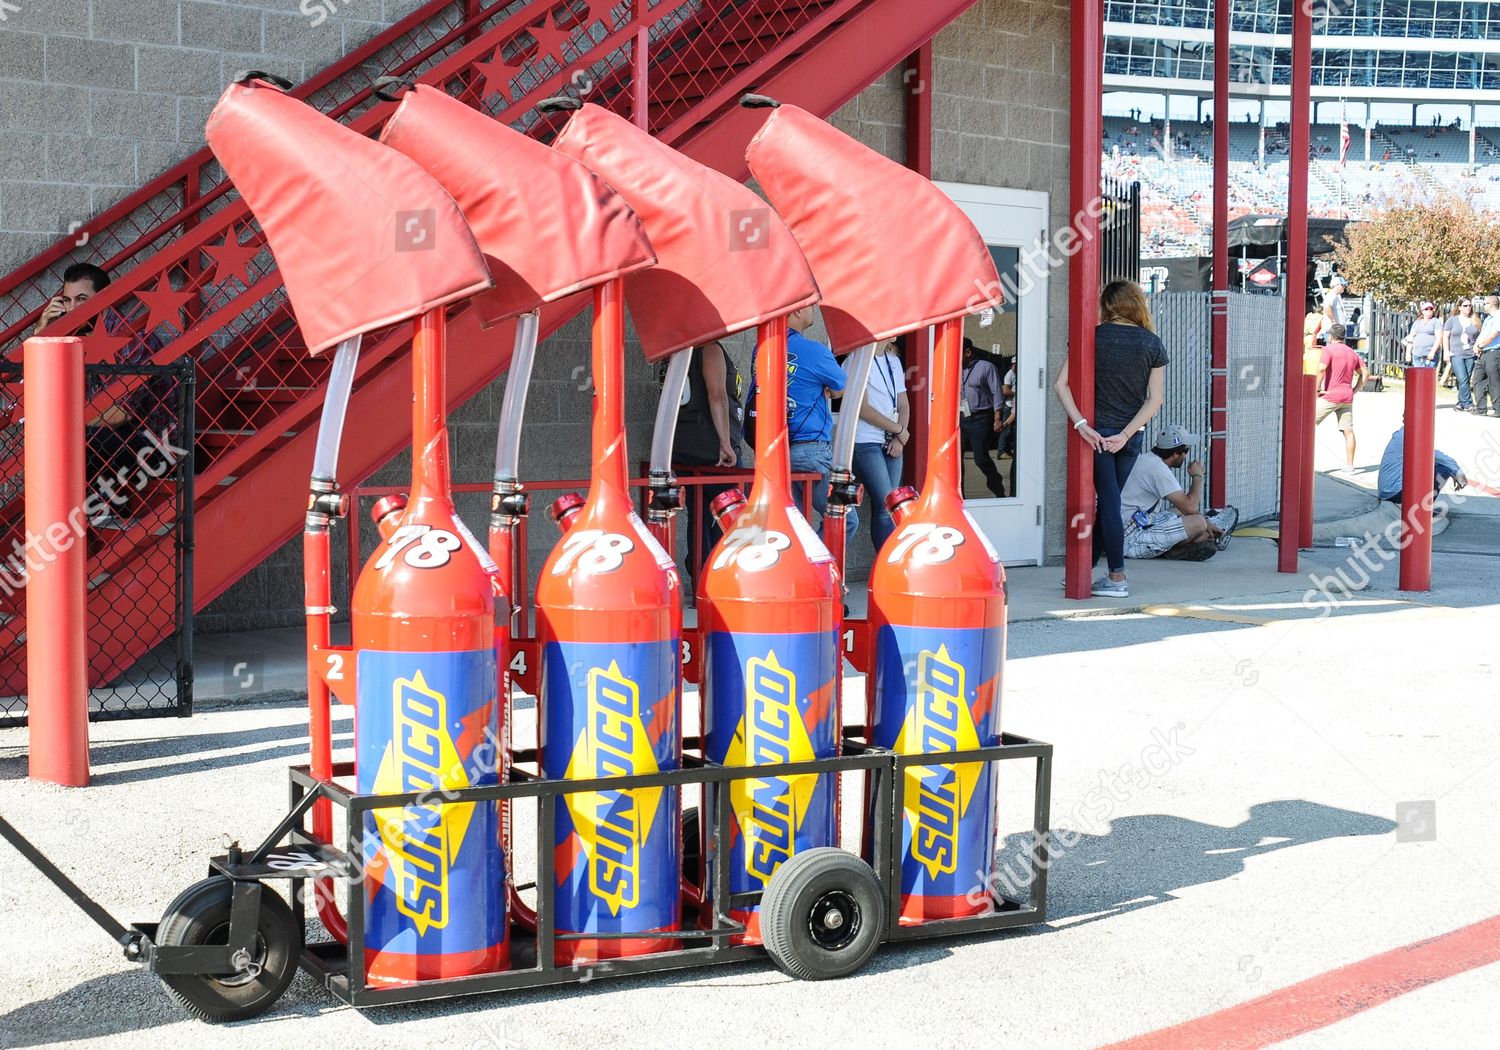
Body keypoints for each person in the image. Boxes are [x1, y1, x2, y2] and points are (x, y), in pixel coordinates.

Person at [1053, 280, 1167, 598]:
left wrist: (1081, 425)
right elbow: (1154, 399)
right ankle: (1087, 571)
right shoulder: (1152, 343)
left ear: (1107, 305)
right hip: (1128, 438)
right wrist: (1126, 434)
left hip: (1096, 434)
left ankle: (1117, 577)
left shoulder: (1090, 337)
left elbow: (1060, 385)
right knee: (1109, 503)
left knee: (1110, 503)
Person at [31, 262, 164, 520]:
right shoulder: (73, 336)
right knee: (63, 438)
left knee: (72, 438)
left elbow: (122, 413)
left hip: (155, 444)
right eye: (66, 300)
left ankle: (82, 517)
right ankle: (76, 517)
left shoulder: (129, 336)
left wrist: (63, 420)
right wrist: (42, 334)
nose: (72, 309)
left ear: (104, 298)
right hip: (106, 440)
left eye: (82, 299)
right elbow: (43, 388)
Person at [778, 304, 856, 541]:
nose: (814, 311)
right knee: (845, 519)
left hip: (776, 451)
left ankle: (804, 568)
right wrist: (826, 388)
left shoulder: (764, 348)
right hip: (812, 450)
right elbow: (844, 386)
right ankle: (818, 571)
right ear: (798, 312)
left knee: (796, 529)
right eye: (811, 307)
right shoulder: (814, 351)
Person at [671, 341, 744, 587]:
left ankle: (703, 576)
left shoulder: (678, 351)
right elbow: (717, 396)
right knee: (734, 514)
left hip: (684, 444)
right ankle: (725, 578)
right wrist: (725, 443)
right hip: (711, 448)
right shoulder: (710, 348)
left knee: (699, 517)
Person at [1120, 426, 1237, 560]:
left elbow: (1184, 508)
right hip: (1129, 540)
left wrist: (1207, 523)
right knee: (1198, 523)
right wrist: (1197, 476)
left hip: (1134, 525)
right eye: (1186, 451)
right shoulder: (1158, 470)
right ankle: (1194, 540)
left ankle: (1193, 540)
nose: (1186, 456)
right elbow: (1191, 507)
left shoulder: (1147, 460)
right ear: (1176, 453)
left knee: (1184, 514)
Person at [850, 336, 909, 551]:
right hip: (866, 440)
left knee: (891, 505)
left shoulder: (893, 360)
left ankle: (889, 565)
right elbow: (863, 409)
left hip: (892, 440)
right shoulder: (857, 359)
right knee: (886, 504)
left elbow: (903, 404)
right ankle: (888, 566)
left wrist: (898, 438)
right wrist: (899, 430)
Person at [1315, 323, 1368, 468]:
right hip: (1347, 397)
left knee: (1307, 423)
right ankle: (1350, 465)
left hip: (1331, 395)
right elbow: (1365, 374)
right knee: (1348, 431)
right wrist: (1354, 390)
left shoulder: (1328, 349)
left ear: (1331, 336)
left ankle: (1304, 459)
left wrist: (1316, 389)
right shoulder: (1352, 352)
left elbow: (1321, 369)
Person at [960, 338, 1007, 498]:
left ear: (968, 352)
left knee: (980, 458)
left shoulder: (986, 368)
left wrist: (997, 418)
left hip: (981, 418)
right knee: (956, 460)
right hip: (961, 418)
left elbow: (997, 393)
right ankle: (960, 495)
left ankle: (996, 483)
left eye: (959, 353)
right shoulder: (957, 369)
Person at [1377, 427, 1466, 503]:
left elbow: (1431, 459)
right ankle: (1423, 511)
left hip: (1388, 490)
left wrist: (1453, 472)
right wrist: (1458, 474)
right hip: (1394, 492)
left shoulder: (1404, 433)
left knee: (1438, 466)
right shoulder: (1410, 435)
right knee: (1443, 471)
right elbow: (1438, 456)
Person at [1443, 299, 1480, 411]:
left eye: (1469, 305)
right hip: (1456, 353)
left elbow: (1479, 336)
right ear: (1459, 307)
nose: (1468, 307)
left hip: (1470, 354)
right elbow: (1446, 336)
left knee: (1465, 379)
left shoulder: (1475, 320)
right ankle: (1468, 403)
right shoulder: (1452, 320)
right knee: (1462, 378)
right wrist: (1446, 351)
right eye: (1465, 305)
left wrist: (1478, 348)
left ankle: (1460, 403)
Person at [1472, 295, 1500, 417]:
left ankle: (1498, 409)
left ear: (1491, 304)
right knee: (1477, 380)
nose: (1483, 306)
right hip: (1483, 353)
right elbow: (1483, 334)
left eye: (1485, 304)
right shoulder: (1488, 319)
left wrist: (1481, 345)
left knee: (1494, 381)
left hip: (1493, 352)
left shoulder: (1498, 317)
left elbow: (1493, 335)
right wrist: (1476, 345)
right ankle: (1481, 408)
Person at [1404, 301, 1442, 367]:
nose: (1429, 310)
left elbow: (1439, 338)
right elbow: (1411, 338)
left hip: (1429, 355)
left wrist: (1432, 352)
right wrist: (1408, 353)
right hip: (1417, 354)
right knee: (1419, 375)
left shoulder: (1436, 322)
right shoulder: (1417, 323)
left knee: (1428, 376)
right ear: (1422, 311)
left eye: (1431, 309)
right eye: (1426, 309)